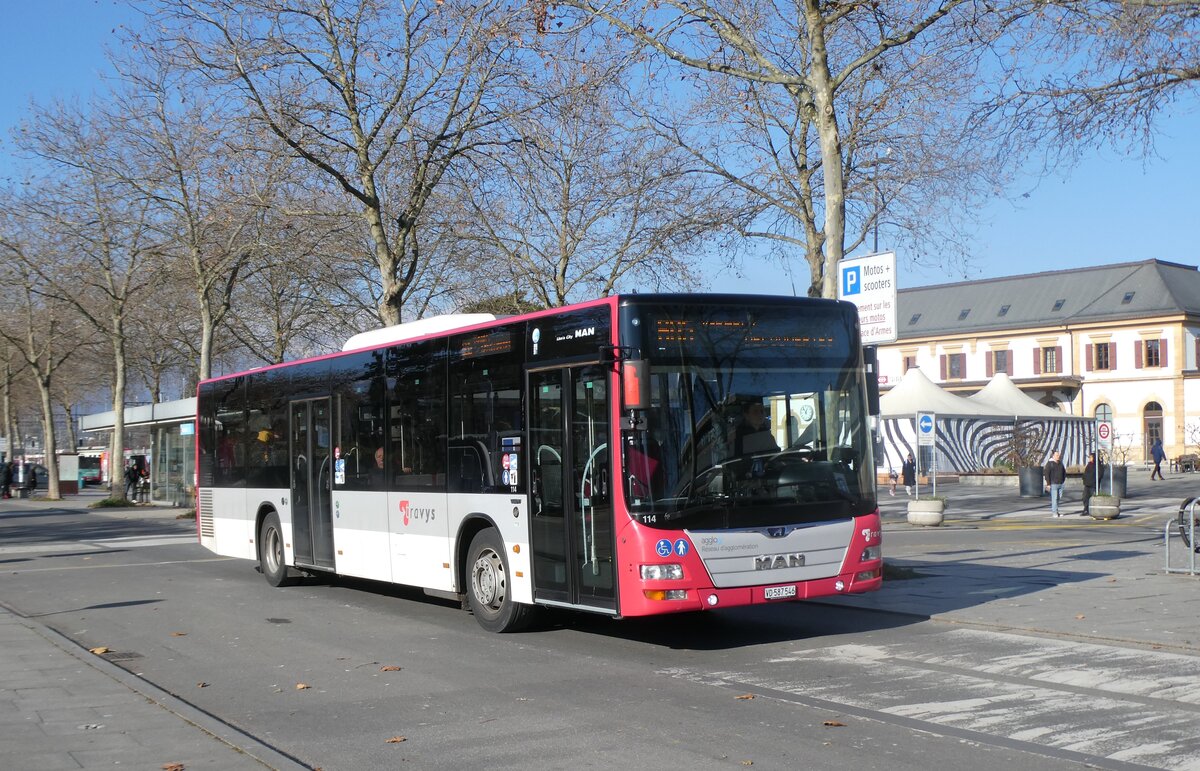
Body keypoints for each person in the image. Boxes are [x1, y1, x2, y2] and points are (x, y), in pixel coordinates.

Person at [1043, 450, 1067, 517]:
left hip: (1060, 484)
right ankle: (1054, 513)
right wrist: (1048, 484)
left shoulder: (1060, 463)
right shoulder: (1050, 464)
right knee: (1054, 499)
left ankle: (1057, 511)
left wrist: (1063, 480)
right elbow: (1046, 474)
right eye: (1057, 455)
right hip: (1053, 484)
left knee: (1059, 498)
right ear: (1053, 456)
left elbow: (1064, 472)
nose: (1058, 456)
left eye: (1059, 455)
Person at [1082, 452, 1100, 517]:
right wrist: (1084, 478)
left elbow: (1100, 474)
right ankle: (1086, 509)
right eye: (1089, 457)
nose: (1089, 458)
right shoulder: (1089, 464)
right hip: (1087, 484)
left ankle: (1094, 510)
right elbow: (1085, 473)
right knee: (1085, 497)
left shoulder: (1097, 465)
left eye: (1091, 457)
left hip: (1093, 484)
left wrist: (1095, 481)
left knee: (1093, 498)